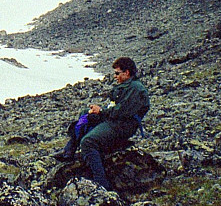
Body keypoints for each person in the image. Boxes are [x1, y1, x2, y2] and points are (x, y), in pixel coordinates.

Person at [54, 57, 150, 189]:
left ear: (126, 73)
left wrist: (101, 112)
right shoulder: (128, 86)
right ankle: (68, 152)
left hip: (122, 126)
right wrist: (97, 112)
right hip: (115, 121)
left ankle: (102, 183)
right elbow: (115, 109)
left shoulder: (136, 89)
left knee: (88, 142)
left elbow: (120, 112)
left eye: (117, 73)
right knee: (85, 114)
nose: (115, 76)